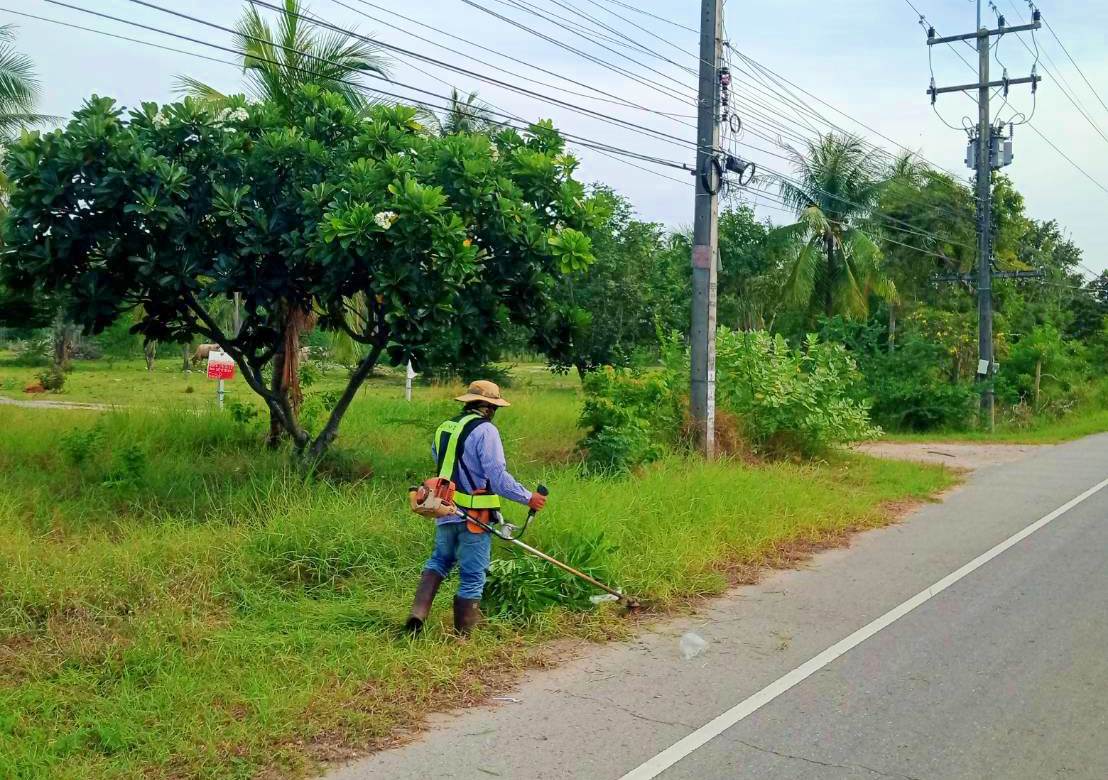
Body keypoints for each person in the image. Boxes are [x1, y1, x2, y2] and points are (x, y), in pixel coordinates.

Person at [405, 380, 547, 636]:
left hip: (444, 509)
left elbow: (441, 464)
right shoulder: (486, 431)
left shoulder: (444, 427)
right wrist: (528, 498)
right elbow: (497, 477)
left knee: (439, 561)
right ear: (488, 408)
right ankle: (463, 637)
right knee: (472, 574)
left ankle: (418, 614)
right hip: (475, 518)